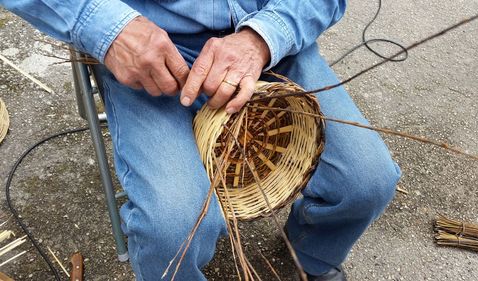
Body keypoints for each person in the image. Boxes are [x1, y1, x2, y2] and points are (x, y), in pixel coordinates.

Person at [1, 1, 401, 280]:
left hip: (264, 32)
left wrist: (263, 37)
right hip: (146, 46)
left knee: (366, 183)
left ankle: (311, 251)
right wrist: (105, 26)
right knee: (174, 227)